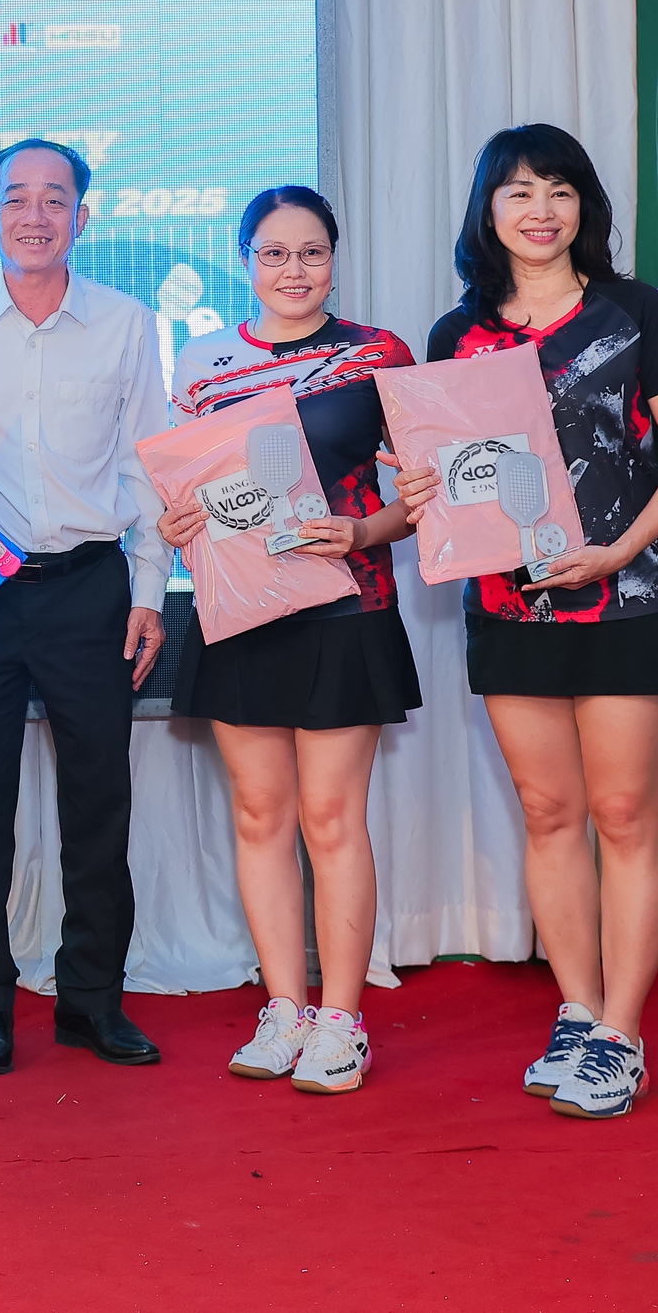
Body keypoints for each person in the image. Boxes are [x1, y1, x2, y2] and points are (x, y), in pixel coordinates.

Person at [390, 124, 658, 1121]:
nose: (540, 209)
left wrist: (617, 553)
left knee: (623, 818)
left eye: (560, 190)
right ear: (487, 212)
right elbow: (447, 481)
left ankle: (621, 1033)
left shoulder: (632, 314)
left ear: (584, 208)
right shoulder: (457, 335)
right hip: (507, 607)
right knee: (547, 817)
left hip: (629, 596)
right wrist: (418, 486)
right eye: (518, 191)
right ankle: (576, 1012)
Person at [156, 186, 421, 1096]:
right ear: (245, 260)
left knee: (331, 819)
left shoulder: (378, 354)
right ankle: (284, 1008)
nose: (293, 270)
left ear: (334, 259)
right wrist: (177, 517)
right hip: (240, 612)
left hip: (349, 606)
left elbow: (417, 499)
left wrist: (362, 532)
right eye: (274, 253)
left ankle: (342, 1019)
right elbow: (183, 497)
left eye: (311, 252)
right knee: (260, 815)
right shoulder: (203, 363)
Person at [0, 138, 172, 1076]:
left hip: (90, 587)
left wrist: (149, 591)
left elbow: (150, 465)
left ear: (82, 215)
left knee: (99, 799)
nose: (35, 214)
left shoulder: (125, 323)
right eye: (15, 198)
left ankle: (92, 1001)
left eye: (54, 198)